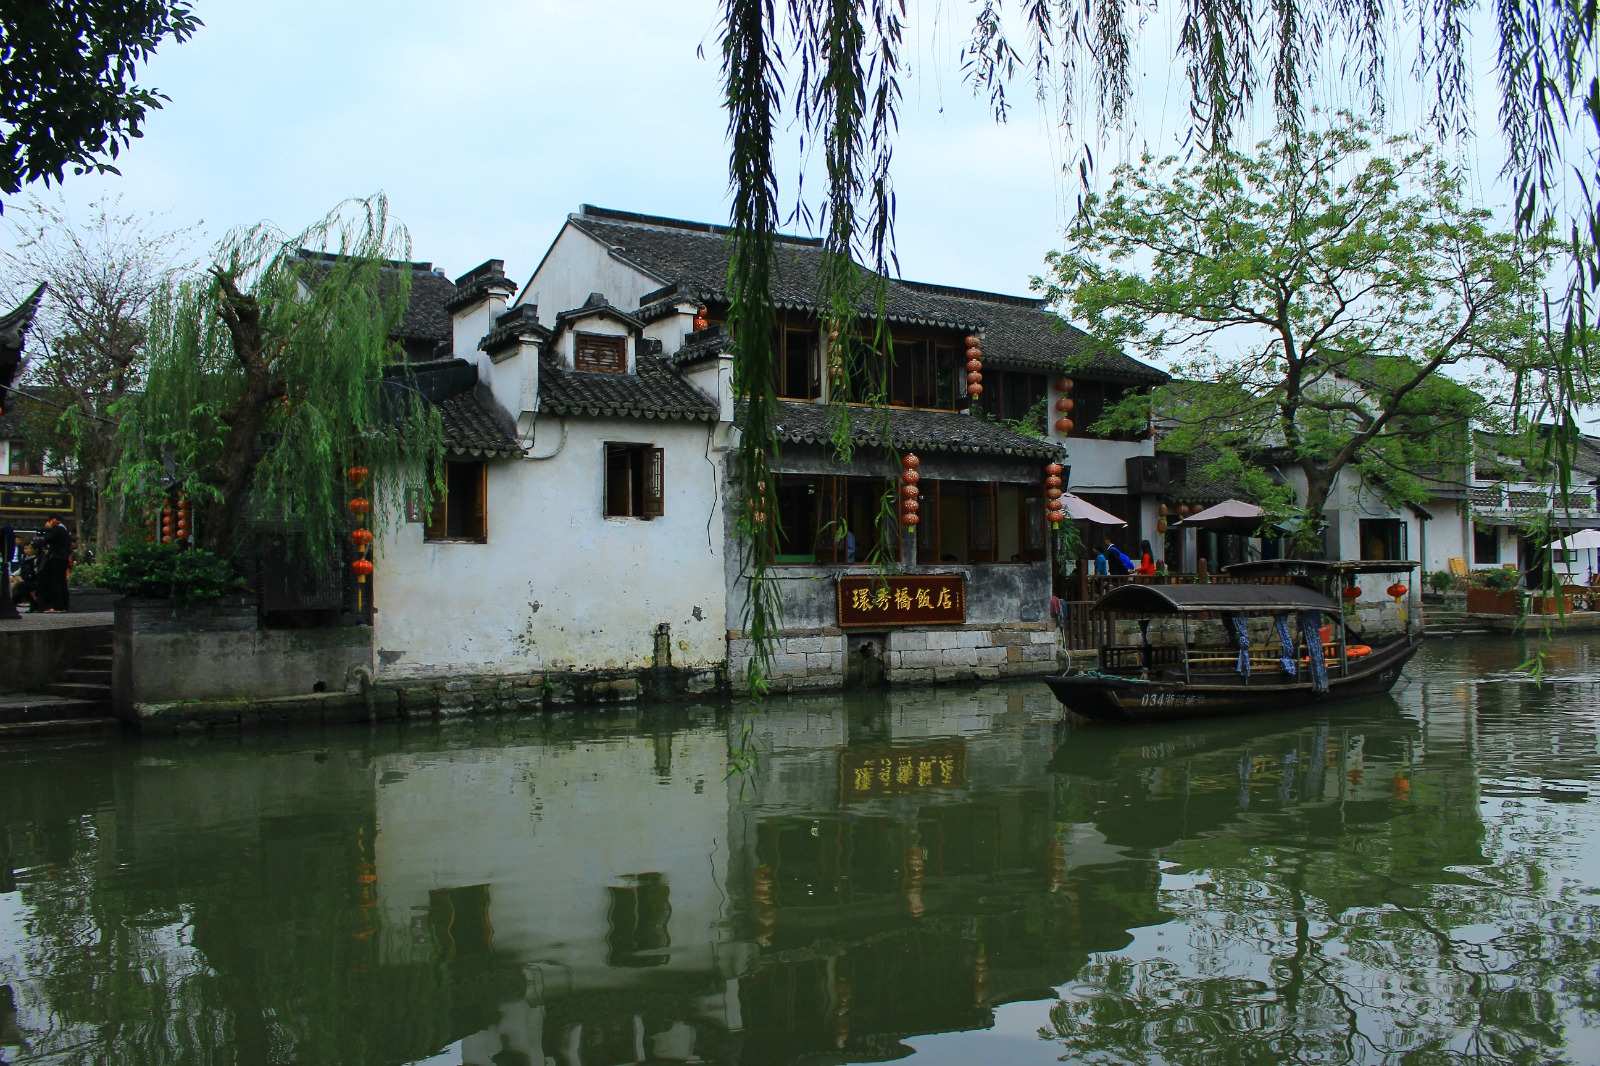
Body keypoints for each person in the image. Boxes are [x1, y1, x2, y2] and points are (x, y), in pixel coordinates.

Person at [38, 517, 71, 612]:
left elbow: (47, 539)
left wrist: (48, 529)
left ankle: (57, 605)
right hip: (63, 559)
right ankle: (64, 606)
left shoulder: (58, 529)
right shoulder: (64, 529)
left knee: (55, 583)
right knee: (62, 583)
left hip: (56, 559)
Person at [10, 542, 40, 612]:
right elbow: (21, 569)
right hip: (26, 580)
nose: (25, 550)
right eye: (25, 549)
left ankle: (13, 604)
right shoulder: (26, 559)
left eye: (28, 548)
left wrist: (22, 578)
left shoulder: (35, 559)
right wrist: (13, 575)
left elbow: (34, 573)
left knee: (21, 586)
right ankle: (12, 604)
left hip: (34, 581)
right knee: (18, 585)